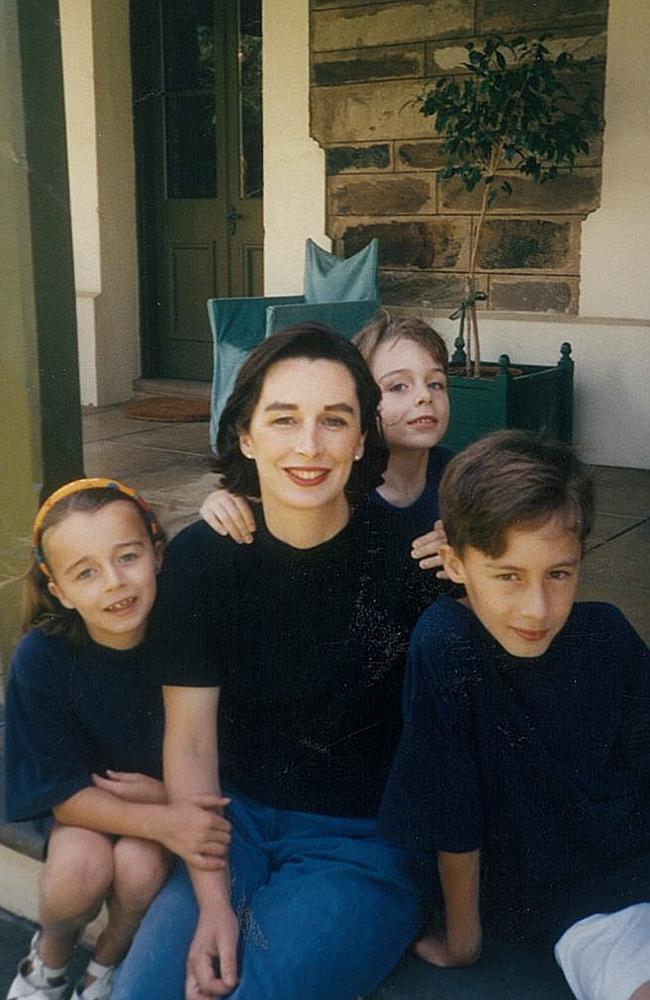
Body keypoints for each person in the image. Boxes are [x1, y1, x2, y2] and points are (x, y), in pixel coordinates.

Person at [111, 324, 449, 1000]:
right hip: (232, 830)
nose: (309, 445)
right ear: (245, 434)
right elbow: (193, 737)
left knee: (258, 991)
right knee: (143, 992)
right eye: (284, 418)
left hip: (361, 845)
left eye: (334, 420)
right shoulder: (206, 561)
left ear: (362, 439)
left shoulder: (415, 564)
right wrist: (212, 903)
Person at [379, 431, 650, 1000]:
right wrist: (464, 940)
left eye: (560, 573)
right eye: (509, 576)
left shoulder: (607, 634)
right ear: (454, 563)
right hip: (593, 908)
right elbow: (455, 807)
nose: (538, 609)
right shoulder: (447, 644)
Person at [5, 479, 231, 1000]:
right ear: (58, 589)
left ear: (156, 551)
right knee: (78, 870)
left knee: (139, 865)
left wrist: (166, 803)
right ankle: (51, 959)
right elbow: (56, 789)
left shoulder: (186, 631)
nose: (114, 583)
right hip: (83, 804)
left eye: (127, 557)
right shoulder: (42, 657)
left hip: (163, 796)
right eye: (85, 572)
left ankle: (105, 962)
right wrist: (166, 818)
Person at [200, 311, 452, 573]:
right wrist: (224, 500)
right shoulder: (333, 484)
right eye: (398, 386)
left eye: (436, 383)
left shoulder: (461, 478)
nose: (424, 396)